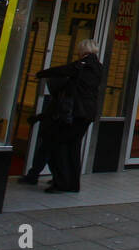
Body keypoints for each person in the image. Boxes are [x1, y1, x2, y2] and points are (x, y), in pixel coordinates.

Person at [35, 38, 104, 193]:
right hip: (88, 113)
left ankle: (62, 183)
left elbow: (63, 70)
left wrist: (40, 73)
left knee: (59, 145)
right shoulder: (98, 67)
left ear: (83, 51)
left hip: (76, 113)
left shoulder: (82, 65)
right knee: (73, 148)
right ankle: (73, 183)